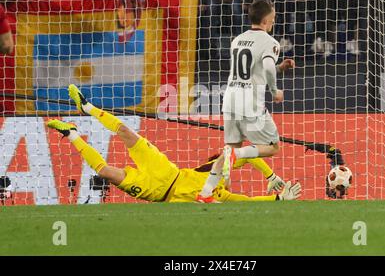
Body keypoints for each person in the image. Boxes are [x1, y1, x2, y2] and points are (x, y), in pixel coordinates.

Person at [46, 84, 302, 203]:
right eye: (225, 172)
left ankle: (71, 134)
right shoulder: (210, 170)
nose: (227, 176)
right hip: (165, 170)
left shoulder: (220, 195)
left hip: (156, 191)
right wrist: (271, 175)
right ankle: (87, 106)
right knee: (125, 131)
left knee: (105, 172)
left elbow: (247, 201)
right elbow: (242, 155)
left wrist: (278, 199)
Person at [197, 0, 299, 203]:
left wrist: (281, 67)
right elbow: (268, 68)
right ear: (267, 20)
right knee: (271, 146)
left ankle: (205, 193)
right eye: (273, 17)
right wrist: (275, 89)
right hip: (250, 102)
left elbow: (253, 69)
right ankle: (237, 154)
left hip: (231, 99)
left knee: (229, 149)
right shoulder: (270, 42)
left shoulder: (238, 39)